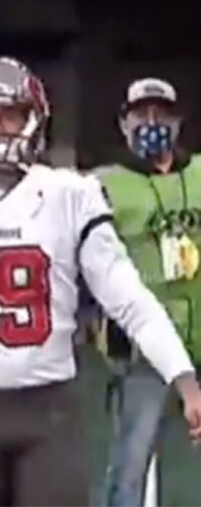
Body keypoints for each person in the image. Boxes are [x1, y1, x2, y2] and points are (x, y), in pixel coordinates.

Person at [0, 56, 201, 507]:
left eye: (9, 113)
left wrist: (184, 377)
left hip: (48, 409)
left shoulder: (68, 194)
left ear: (32, 121)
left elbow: (129, 298)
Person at [93, 77, 201, 506]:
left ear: (178, 122)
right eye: (141, 114)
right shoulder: (103, 184)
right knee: (129, 466)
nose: (151, 123)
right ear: (123, 123)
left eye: (161, 114)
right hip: (143, 353)